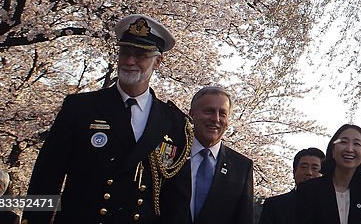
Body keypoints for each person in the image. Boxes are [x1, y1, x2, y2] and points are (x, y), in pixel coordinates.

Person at [26, 14, 193, 224]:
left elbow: (177, 202)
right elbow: (46, 179)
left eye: (140, 55)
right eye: (125, 52)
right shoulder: (80, 108)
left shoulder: (175, 122)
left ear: (157, 61)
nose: (130, 61)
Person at [187, 86, 254, 224]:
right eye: (209, 111)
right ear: (192, 114)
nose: (216, 119)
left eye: (222, 113)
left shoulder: (241, 167)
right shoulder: (170, 154)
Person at [295, 125, 361, 224]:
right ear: (333, 150)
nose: (349, 149)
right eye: (343, 142)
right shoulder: (309, 189)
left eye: (357, 144)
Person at [259, 148, 325, 224]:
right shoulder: (274, 205)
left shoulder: (332, 205)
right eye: (304, 167)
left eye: (315, 168)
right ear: (294, 172)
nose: (309, 172)